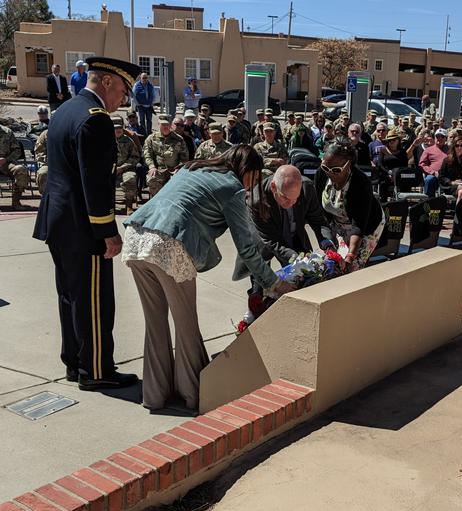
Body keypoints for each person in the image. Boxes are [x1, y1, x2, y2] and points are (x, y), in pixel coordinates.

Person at [122, 145, 294, 410]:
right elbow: (247, 248)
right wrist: (273, 282)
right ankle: (193, 395)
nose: (253, 185)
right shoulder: (232, 188)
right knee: (186, 323)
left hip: (137, 238)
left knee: (154, 322)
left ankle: (154, 396)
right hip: (171, 247)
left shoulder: (193, 168)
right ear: (247, 170)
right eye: (255, 177)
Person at [32, 56, 142, 390]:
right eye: (123, 90)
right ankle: (96, 370)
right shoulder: (95, 119)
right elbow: (95, 183)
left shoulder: (66, 110)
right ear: (107, 82)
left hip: (59, 222)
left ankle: (75, 362)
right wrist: (108, 232)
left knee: (70, 297)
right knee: (95, 302)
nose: (123, 99)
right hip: (83, 227)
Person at [244, 165, 333, 277]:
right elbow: (271, 241)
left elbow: (318, 221)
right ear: (273, 187)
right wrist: (297, 258)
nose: (291, 204)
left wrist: (327, 243)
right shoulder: (256, 201)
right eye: (286, 198)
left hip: (296, 236)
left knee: (308, 276)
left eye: (296, 198)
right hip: (265, 243)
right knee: (263, 283)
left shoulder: (307, 188)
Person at [314, 141, 384, 269]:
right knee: (332, 263)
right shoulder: (321, 174)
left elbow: (358, 226)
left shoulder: (361, 183)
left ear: (349, 164)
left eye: (336, 170)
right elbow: (321, 213)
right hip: (338, 221)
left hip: (366, 224)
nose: (329, 173)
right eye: (325, 167)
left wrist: (350, 255)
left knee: (352, 266)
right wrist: (329, 242)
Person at [143, 113, 189, 197]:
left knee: (178, 183)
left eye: (167, 124)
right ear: (158, 124)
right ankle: (155, 202)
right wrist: (152, 167)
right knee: (152, 179)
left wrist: (179, 168)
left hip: (174, 170)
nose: (165, 127)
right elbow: (147, 154)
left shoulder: (179, 139)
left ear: (171, 125)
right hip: (158, 169)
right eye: (163, 124)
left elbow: (184, 158)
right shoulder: (151, 139)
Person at [112, 116, 142, 214]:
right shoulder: (105, 141)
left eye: (120, 128)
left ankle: (128, 206)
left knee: (130, 178)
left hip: (126, 169)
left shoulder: (129, 141)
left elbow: (135, 157)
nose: (118, 130)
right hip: (110, 169)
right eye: (115, 128)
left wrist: (122, 167)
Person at [438, 134, 462, 203]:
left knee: (461, 192)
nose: (459, 148)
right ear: (453, 147)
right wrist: (452, 182)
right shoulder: (447, 160)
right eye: (457, 145)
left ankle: (459, 213)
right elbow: (441, 177)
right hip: (450, 186)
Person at [419, 129, 449, 198]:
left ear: (446, 139)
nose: (439, 138)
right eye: (437, 136)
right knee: (429, 180)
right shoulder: (428, 150)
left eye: (442, 137)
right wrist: (433, 172)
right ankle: (429, 203)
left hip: (447, 176)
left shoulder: (450, 150)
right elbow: (422, 164)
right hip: (433, 175)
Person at [35, 129, 49, 195]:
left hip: (69, 164)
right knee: (42, 173)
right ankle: (45, 197)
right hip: (49, 164)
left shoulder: (72, 131)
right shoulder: (46, 134)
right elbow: (39, 152)